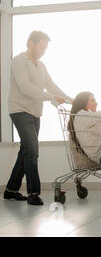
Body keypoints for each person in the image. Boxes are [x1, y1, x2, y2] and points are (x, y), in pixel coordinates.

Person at [4, 31, 73, 206]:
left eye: (45, 48)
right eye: (41, 47)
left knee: (26, 150)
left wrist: (72, 100)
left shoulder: (41, 66)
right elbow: (25, 87)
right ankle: (34, 193)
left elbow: (51, 85)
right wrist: (50, 98)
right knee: (33, 150)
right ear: (31, 44)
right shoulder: (19, 61)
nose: (43, 51)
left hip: (35, 112)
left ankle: (11, 190)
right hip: (19, 110)